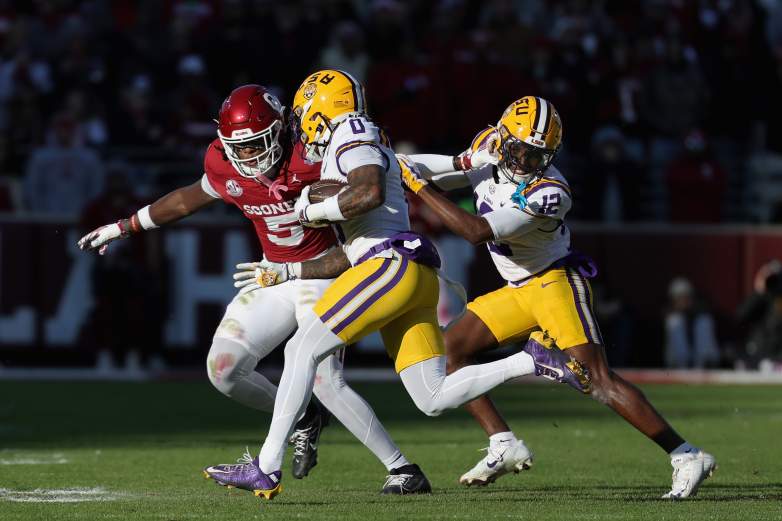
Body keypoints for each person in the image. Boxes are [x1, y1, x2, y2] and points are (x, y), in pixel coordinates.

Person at [218, 70, 587, 500]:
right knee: (432, 396)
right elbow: (391, 187)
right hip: (409, 271)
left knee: (301, 349)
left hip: (389, 264)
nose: (300, 127)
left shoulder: (350, 132)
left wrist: (310, 212)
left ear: (319, 111)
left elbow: (369, 194)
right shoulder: (364, 139)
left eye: (303, 115)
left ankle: (266, 468)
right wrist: (289, 271)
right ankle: (532, 360)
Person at [77, 84, 428, 495]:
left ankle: (402, 469)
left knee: (325, 380)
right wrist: (125, 226)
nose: (247, 154)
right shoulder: (223, 162)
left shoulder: (313, 153)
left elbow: (374, 181)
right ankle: (305, 418)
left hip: (325, 272)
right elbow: (189, 199)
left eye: (256, 143)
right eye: (238, 146)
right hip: (272, 274)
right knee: (223, 370)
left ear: (281, 130)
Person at [400, 96, 716, 499]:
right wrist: (456, 162)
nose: (526, 162)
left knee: (597, 380)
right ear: (503, 138)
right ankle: (503, 443)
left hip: (555, 284)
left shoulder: (551, 190)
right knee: (451, 350)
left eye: (537, 155)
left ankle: (686, 455)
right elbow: (431, 171)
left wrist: (417, 186)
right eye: (520, 150)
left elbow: (476, 231)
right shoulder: (488, 146)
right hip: (518, 289)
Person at [664, 277, 720, 369]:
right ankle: (683, 364)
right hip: (677, 365)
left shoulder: (703, 316)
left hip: (703, 365)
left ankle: (703, 363)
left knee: (704, 322)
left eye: (686, 296)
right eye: (679, 297)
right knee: (675, 322)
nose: (683, 301)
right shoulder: (672, 319)